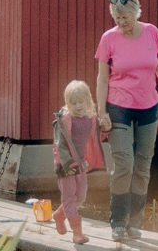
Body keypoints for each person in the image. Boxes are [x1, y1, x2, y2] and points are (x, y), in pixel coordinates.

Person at [95, 0, 158, 241]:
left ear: (136, 12)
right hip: (118, 108)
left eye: (125, 17)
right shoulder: (108, 39)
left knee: (143, 166)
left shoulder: (151, 33)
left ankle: (134, 222)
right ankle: (117, 221)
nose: (122, 22)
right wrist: (101, 112)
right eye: (117, 18)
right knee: (124, 164)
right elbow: (102, 78)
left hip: (148, 107)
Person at [51, 80, 106, 244]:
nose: (78, 106)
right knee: (69, 197)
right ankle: (77, 234)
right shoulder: (65, 120)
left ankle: (59, 215)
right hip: (66, 164)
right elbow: (59, 144)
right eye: (74, 103)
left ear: (88, 101)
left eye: (81, 102)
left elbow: (95, 138)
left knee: (80, 197)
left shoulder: (91, 118)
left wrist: (106, 127)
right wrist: (67, 163)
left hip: (81, 164)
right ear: (68, 103)